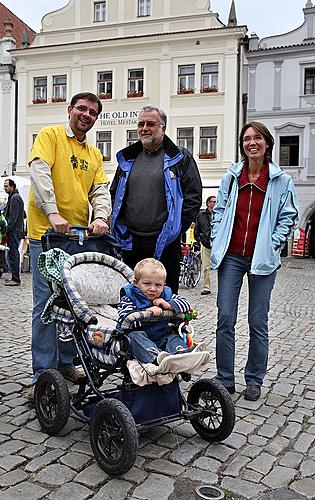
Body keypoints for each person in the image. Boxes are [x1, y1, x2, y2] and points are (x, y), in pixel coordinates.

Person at [211, 122, 299, 401]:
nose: (252, 143)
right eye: (247, 138)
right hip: (232, 257)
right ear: (242, 144)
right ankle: (225, 378)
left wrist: (273, 245)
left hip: (262, 258)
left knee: (257, 321)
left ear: (267, 143)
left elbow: (288, 217)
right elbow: (219, 211)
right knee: (225, 317)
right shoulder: (231, 177)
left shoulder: (281, 180)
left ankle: (254, 379)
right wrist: (217, 237)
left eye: (257, 138)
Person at [28, 92, 111, 385]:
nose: (86, 115)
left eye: (92, 112)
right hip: (46, 236)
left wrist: (101, 217)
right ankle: (44, 376)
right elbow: (39, 172)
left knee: (73, 303)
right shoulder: (50, 136)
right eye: (82, 109)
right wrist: (51, 212)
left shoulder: (94, 154)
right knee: (46, 305)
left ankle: (65, 363)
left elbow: (100, 189)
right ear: (70, 110)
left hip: (76, 238)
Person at [110, 105, 202, 293]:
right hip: (131, 243)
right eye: (141, 124)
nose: (145, 128)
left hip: (166, 243)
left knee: (165, 299)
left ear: (163, 128)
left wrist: (175, 229)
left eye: (151, 124)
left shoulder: (179, 157)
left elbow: (193, 197)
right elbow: (114, 194)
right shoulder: (128, 158)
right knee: (132, 297)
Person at [117, 258, 193, 364]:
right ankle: (156, 358)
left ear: (164, 285)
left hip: (160, 337)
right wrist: (146, 312)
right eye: (147, 284)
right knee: (134, 337)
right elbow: (123, 318)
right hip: (138, 343)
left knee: (172, 337)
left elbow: (186, 304)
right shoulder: (129, 297)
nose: (153, 289)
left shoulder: (166, 295)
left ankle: (181, 355)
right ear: (136, 283)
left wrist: (168, 305)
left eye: (158, 285)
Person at [3, 179, 25, 286]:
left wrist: (6, 229)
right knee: (12, 254)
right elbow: (23, 214)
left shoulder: (15, 198)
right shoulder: (14, 197)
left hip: (14, 231)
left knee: (13, 254)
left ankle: (16, 279)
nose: (4, 188)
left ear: (12, 186)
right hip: (15, 230)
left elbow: (13, 217)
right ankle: (14, 277)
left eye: (6, 186)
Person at [194, 195, 216, 295]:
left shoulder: (219, 214)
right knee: (206, 267)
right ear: (208, 203)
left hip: (217, 244)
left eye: (216, 202)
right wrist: (200, 238)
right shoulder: (201, 215)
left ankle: (224, 287)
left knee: (222, 267)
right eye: (213, 201)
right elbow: (197, 229)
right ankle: (207, 287)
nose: (215, 203)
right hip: (206, 243)